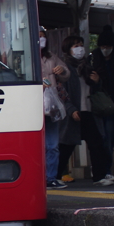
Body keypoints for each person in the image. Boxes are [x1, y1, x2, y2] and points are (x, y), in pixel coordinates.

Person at [57, 35, 114, 186]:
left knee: (96, 143)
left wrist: (97, 81)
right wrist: (71, 109)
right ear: (68, 49)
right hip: (73, 112)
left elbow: (95, 90)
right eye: (75, 46)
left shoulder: (87, 67)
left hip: (88, 110)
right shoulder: (64, 68)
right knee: (66, 145)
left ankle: (99, 176)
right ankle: (55, 175)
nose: (80, 49)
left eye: (81, 45)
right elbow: (61, 92)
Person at [90, 25, 114, 173]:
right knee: (101, 138)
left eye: (108, 47)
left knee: (109, 139)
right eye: (103, 46)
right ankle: (102, 171)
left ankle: (106, 170)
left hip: (113, 105)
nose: (106, 49)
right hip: (97, 105)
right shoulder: (92, 61)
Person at [41, 28, 69, 189]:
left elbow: (66, 74)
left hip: (50, 106)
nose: (41, 39)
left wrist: (62, 71)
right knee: (37, 145)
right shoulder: (23, 55)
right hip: (31, 105)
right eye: (38, 36)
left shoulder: (51, 57)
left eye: (43, 37)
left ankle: (50, 177)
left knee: (52, 145)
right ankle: (38, 176)